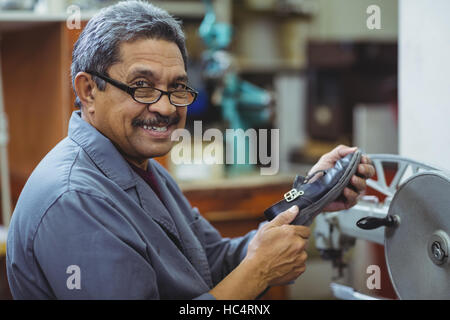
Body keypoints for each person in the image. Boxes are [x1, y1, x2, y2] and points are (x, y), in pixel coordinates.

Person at [6, 1, 375, 299]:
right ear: (88, 91)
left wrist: (310, 195)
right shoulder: (76, 200)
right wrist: (259, 272)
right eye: (142, 86)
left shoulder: (143, 169)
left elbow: (214, 262)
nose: (166, 108)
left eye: (177, 87)